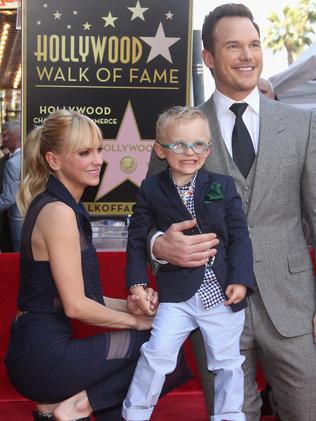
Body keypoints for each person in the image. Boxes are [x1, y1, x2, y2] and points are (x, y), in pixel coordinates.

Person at [147, 3, 316, 421]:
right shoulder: (179, 128)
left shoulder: (301, 125)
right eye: (234, 46)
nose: (248, 56)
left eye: (254, 44)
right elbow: (150, 219)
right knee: (230, 415)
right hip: (210, 304)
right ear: (208, 58)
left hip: (292, 305)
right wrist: (159, 246)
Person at [4, 110, 160, 421]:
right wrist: (140, 323)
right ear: (54, 161)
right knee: (160, 346)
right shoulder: (59, 212)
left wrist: (133, 308)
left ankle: (61, 411)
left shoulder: (59, 205)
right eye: (84, 152)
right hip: (42, 356)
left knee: (158, 338)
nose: (97, 161)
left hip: (36, 348)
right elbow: (76, 307)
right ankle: (78, 407)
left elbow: (84, 299)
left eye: (99, 150)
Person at [122, 106, 254, 421]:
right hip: (177, 295)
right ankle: (135, 413)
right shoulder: (151, 188)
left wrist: (241, 279)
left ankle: (229, 415)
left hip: (221, 294)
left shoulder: (222, 185)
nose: (189, 152)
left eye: (198, 145)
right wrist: (138, 283)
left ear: (208, 151)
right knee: (156, 355)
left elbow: (239, 237)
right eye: (178, 145)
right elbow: (138, 238)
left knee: (228, 363)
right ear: (160, 150)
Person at [0, 120, 23, 251]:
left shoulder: (13, 163)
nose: (3, 140)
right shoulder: (31, 156)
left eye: (5, 135)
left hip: (18, 221)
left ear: (14, 137)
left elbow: (9, 198)